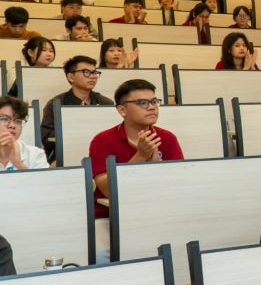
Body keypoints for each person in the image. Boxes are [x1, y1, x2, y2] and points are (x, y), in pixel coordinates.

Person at [89, 79, 184, 218]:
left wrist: (157, 166)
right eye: (143, 103)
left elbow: (178, 183)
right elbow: (108, 190)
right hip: (111, 215)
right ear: (122, 110)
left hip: (159, 210)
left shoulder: (167, 137)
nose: (152, 107)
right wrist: (141, 156)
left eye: (154, 101)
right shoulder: (102, 140)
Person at [40, 55, 114, 160]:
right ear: (71, 77)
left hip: (100, 156)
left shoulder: (106, 103)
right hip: (66, 156)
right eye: (86, 72)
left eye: (94, 72)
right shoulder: (56, 104)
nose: (93, 76)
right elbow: (46, 138)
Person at [0, 96, 47, 170]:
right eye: (5, 119)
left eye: (18, 121)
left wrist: (19, 165)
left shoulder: (36, 155)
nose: (12, 125)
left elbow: (42, 178)